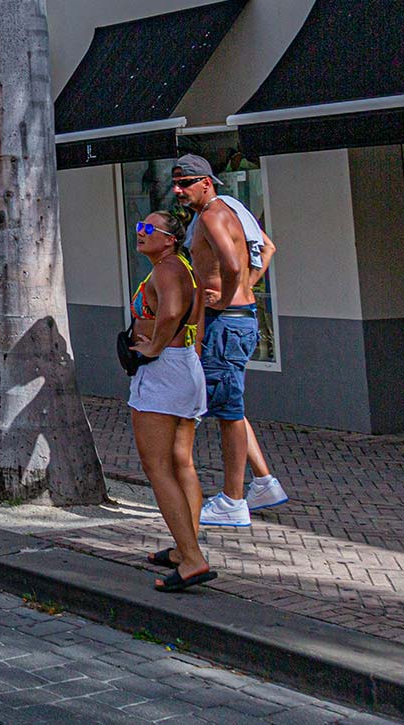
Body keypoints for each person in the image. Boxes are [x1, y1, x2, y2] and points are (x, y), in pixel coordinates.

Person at [171, 153, 288, 528]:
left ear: (206, 182)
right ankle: (264, 482)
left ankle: (233, 501)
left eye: (186, 183)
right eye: (176, 183)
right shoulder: (232, 211)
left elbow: (233, 264)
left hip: (228, 322)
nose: (179, 190)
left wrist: (225, 298)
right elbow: (266, 248)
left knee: (227, 414)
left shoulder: (212, 215)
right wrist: (243, 293)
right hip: (237, 318)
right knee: (228, 403)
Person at [127, 210, 212, 593]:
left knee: (157, 466)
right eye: (140, 227)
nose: (141, 233)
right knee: (182, 463)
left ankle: (192, 558)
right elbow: (195, 318)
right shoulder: (183, 268)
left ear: (169, 239)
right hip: (184, 368)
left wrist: (153, 348)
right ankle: (184, 548)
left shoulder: (165, 269)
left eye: (149, 229)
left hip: (163, 373)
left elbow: (174, 311)